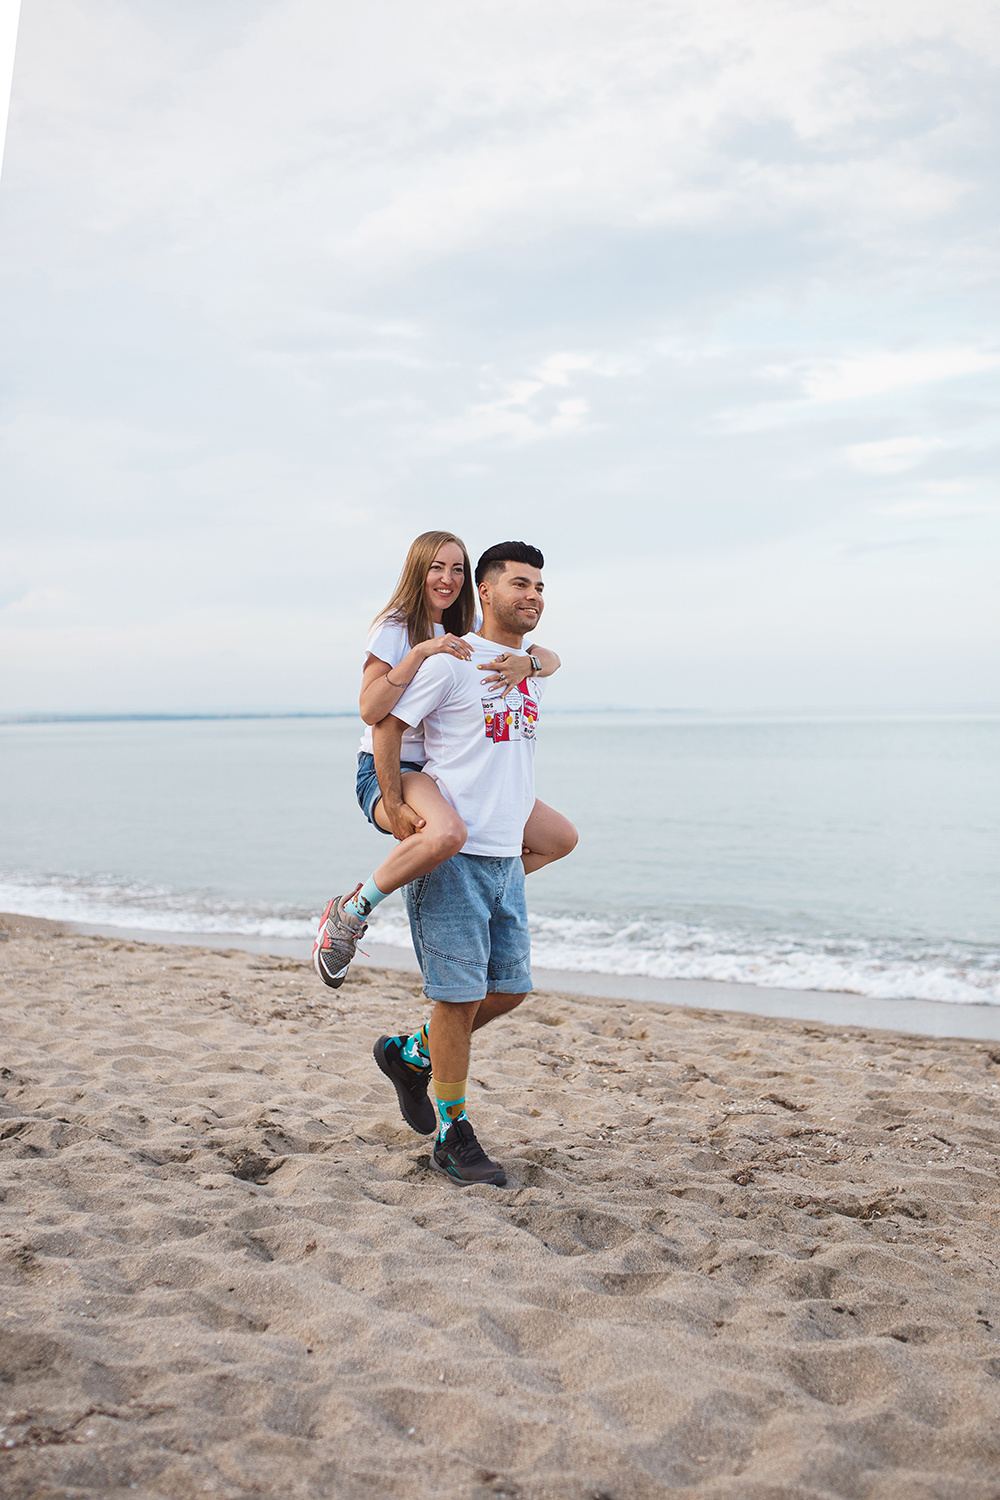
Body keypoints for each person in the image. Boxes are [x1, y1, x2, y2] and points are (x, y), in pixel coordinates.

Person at [367, 540, 557, 1185]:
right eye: (519, 584)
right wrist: (393, 807)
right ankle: (453, 1133)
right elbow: (386, 724)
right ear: (486, 590)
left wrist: (533, 663)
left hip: (504, 856)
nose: (532, 596)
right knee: (457, 997)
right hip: (457, 855)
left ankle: (409, 1055)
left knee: (510, 989)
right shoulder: (452, 662)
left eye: (540, 587)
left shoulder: (521, 666)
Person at [313, 530, 576, 990]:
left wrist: (528, 664)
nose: (447, 578)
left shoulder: (467, 624)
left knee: (559, 838)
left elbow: (549, 658)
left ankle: (475, 890)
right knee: (449, 833)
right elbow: (374, 715)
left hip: (438, 766)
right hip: (388, 766)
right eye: (437, 567)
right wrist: (420, 652)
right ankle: (350, 913)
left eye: (457, 568)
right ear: (418, 570)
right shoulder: (396, 627)